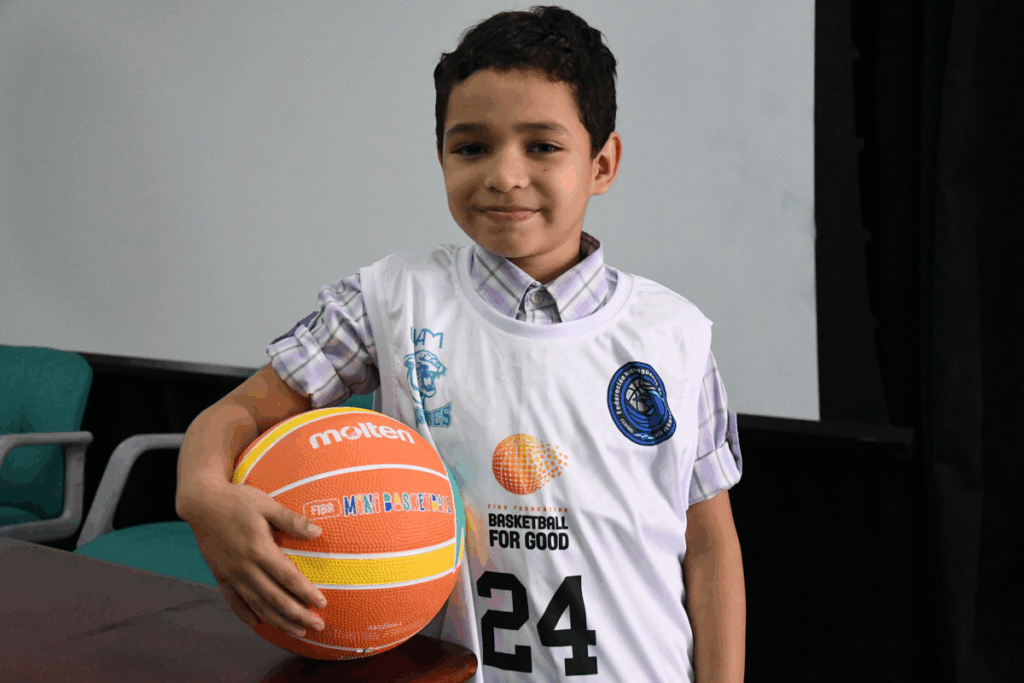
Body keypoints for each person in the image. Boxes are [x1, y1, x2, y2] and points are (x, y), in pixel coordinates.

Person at [175, 6, 745, 682]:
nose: (504, 175)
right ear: (442, 154)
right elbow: (239, 412)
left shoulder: (674, 333)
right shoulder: (390, 298)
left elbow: (709, 547)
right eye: (471, 147)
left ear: (602, 163)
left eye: (542, 146)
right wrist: (201, 490)